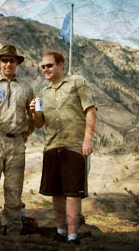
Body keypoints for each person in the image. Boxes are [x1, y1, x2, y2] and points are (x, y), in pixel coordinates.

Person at [30, 51, 97, 245]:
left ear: (61, 65)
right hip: (52, 146)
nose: (45, 70)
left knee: (72, 193)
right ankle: (60, 231)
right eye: (43, 67)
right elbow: (39, 124)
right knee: (56, 192)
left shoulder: (77, 83)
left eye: (49, 66)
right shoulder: (43, 92)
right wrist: (34, 113)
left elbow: (90, 111)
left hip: (74, 146)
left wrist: (88, 140)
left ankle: (73, 235)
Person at [0, 45, 35, 236]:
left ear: (17, 63)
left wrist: (26, 132)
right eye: (4, 60)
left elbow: (33, 114)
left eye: (12, 60)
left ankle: (14, 229)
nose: (8, 64)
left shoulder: (26, 87)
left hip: (17, 143)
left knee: (14, 189)